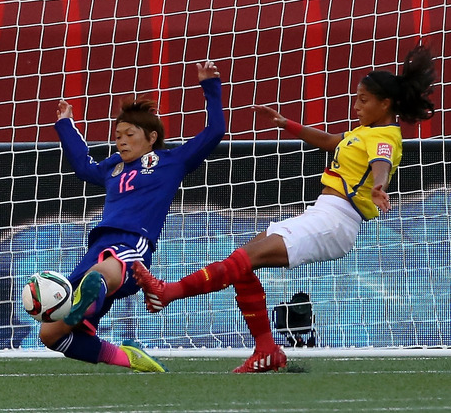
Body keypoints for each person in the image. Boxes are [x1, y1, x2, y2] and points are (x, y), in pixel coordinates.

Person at [133, 45, 436, 373]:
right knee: (242, 264)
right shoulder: (365, 132)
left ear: (385, 103)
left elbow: (382, 162)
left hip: (336, 221)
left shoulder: (385, 137)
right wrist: (284, 123)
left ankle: (169, 292)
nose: (356, 105)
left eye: (363, 99)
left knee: (242, 260)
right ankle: (267, 350)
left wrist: (380, 185)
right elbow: (332, 142)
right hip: (322, 213)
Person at [39, 60, 225, 373]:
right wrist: (65, 126)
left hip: (131, 245)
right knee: (50, 334)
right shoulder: (113, 166)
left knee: (98, 275)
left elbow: (215, 131)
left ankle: (86, 303)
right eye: (117, 135)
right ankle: (127, 357)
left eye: (129, 134)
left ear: (151, 137)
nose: (121, 140)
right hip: (97, 249)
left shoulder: (170, 162)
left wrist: (210, 87)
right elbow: (84, 167)